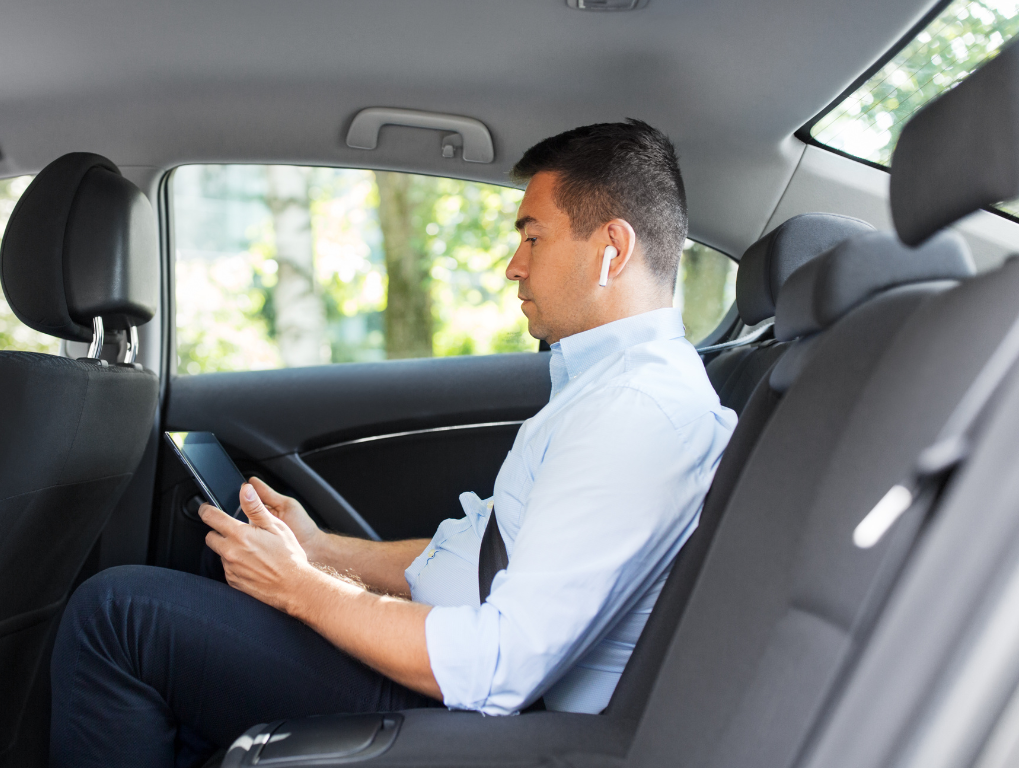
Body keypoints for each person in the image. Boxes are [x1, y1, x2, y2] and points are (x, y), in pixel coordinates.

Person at [50, 119, 737, 768]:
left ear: (612, 248)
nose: (513, 267)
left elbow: (498, 664)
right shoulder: (607, 391)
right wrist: (319, 551)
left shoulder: (635, 413)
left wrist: (299, 587)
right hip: (451, 676)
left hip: (478, 716)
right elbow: (497, 555)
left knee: (116, 617)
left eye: (533, 238)